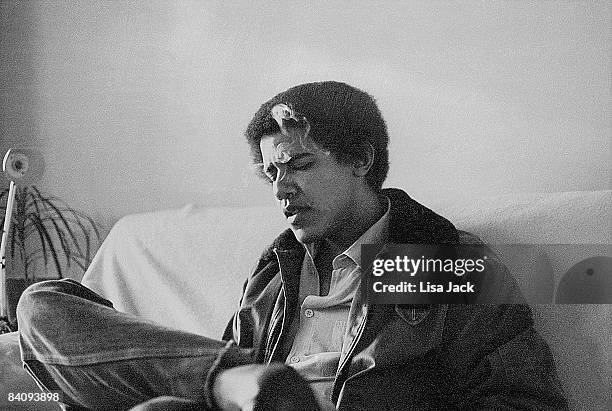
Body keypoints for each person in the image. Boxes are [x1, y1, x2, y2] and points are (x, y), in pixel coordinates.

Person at [17, 81, 568, 410]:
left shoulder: (434, 259)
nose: (281, 188)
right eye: (272, 172)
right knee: (41, 307)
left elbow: (523, 401)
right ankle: (237, 381)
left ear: (361, 159)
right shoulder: (276, 271)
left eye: (301, 165)